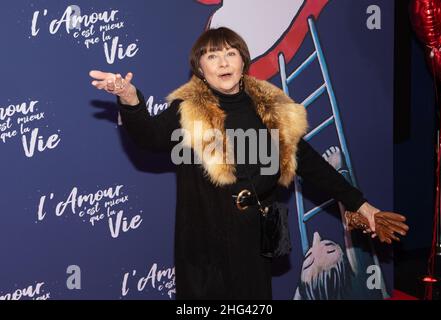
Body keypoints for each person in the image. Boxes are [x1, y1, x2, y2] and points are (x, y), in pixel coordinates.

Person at [89, 27, 408, 300]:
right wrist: (130, 98)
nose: (223, 62)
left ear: (243, 61)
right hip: (204, 247)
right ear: (200, 69)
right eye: (212, 56)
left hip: (255, 244)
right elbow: (150, 138)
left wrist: (361, 205)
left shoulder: (274, 110)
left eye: (230, 53)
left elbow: (311, 164)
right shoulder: (187, 111)